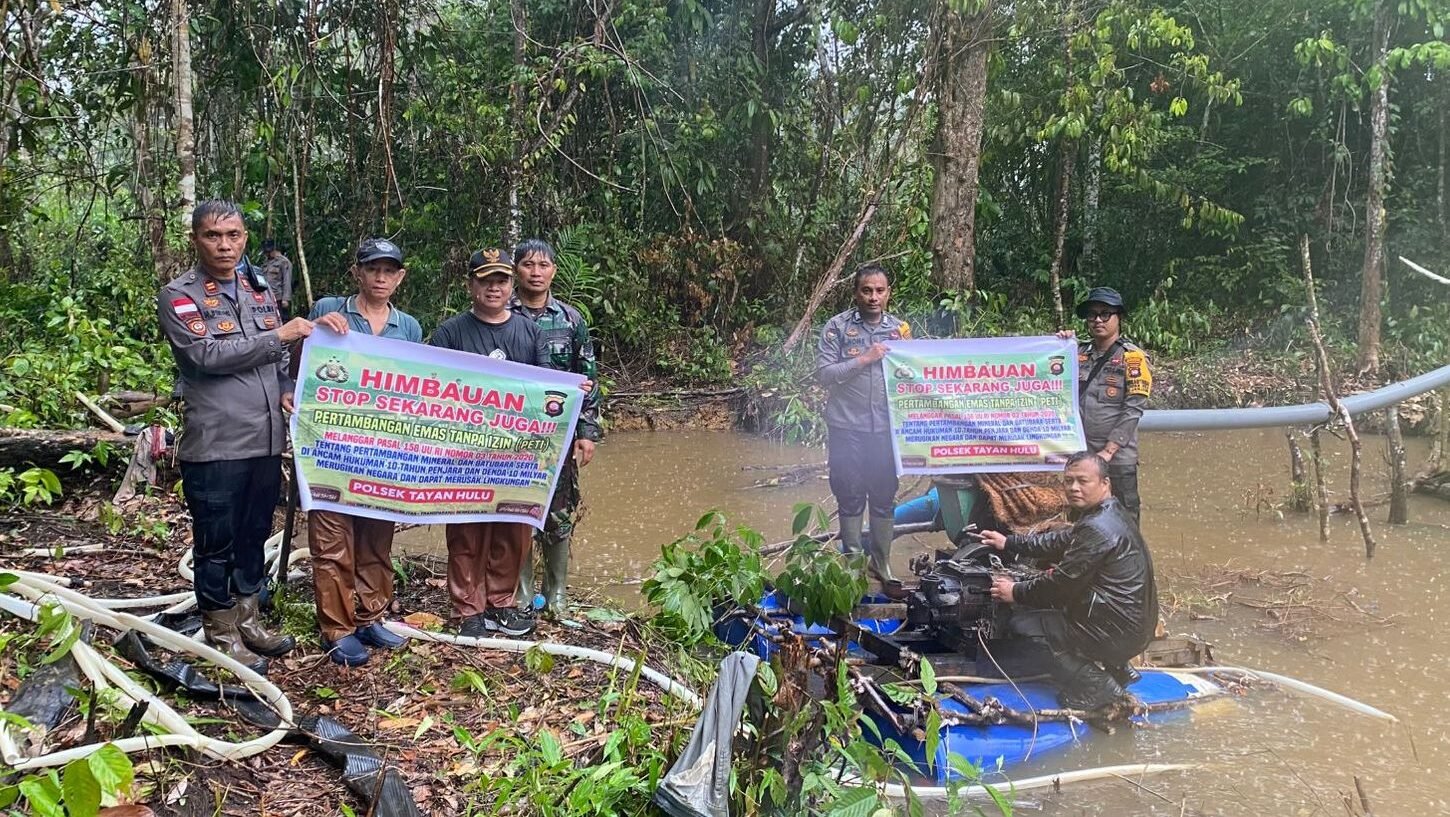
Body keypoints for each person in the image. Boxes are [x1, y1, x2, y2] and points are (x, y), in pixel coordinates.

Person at [158, 200, 314, 673]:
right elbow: (205, 355)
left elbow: (278, 361)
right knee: (215, 541)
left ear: (245, 238)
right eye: (212, 235)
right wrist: (280, 336)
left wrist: (288, 386)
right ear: (196, 240)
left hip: (266, 440)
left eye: (233, 235)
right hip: (218, 443)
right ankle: (220, 631)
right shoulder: (179, 295)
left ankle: (249, 620)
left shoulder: (257, 288)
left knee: (253, 534)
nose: (224, 245)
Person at [429, 248, 588, 638]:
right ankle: (468, 608)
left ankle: (500, 603)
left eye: (500, 281)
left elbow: (541, 387)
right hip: (465, 452)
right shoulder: (450, 332)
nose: (494, 288)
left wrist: (571, 392)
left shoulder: (528, 331)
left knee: (512, 527)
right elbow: (433, 388)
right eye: (485, 280)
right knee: (466, 531)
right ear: (471, 285)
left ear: (509, 285)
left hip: (517, 451)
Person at [304, 238, 423, 666]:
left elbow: (417, 385)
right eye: (373, 268)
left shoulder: (408, 327)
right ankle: (336, 627)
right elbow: (299, 366)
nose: (380, 277)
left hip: (382, 450)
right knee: (333, 537)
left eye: (389, 270)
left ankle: (371, 615)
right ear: (358, 271)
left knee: (376, 537)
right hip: (331, 448)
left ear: (400, 277)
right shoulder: (330, 311)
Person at [974, 451, 1159, 711]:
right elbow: (1062, 540)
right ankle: (1119, 668)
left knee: (1022, 625)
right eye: (1068, 480)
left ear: (1105, 483)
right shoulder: (1111, 513)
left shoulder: (1097, 527)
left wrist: (1015, 591)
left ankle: (1097, 684)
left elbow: (1059, 586)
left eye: (1083, 481)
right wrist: (1009, 542)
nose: (1073, 488)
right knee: (1057, 610)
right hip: (1134, 627)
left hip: (1117, 632)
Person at [508, 238, 602, 616]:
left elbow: (588, 377)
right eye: (528, 264)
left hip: (558, 438)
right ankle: (522, 590)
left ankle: (557, 591)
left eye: (542, 265)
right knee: (516, 511)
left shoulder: (570, 319)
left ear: (553, 271)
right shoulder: (502, 314)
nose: (535, 272)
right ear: (516, 270)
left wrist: (587, 431)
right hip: (511, 438)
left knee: (559, 511)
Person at [816, 264, 911, 584]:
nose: (873, 297)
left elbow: (921, 370)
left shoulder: (901, 330)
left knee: (884, 494)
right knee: (850, 492)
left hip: (886, 428)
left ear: (888, 293)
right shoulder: (837, 327)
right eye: (866, 290)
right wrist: (865, 359)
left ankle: (881, 563)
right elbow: (825, 374)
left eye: (879, 291)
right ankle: (853, 565)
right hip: (846, 426)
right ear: (855, 293)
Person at [1069, 287, 1151, 523]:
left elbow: (1132, 410)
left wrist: (1108, 452)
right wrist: (1059, 342)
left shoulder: (1133, 358)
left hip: (1116, 458)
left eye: (1105, 314)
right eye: (1092, 315)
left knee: (1123, 521)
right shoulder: (1075, 353)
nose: (1097, 320)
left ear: (1119, 318)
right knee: (1079, 521)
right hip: (1082, 454)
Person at [261, 240, 295, 317]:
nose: (266, 254)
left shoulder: (284, 262)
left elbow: (287, 280)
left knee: (281, 319)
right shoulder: (266, 262)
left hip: (278, 297)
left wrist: (285, 299)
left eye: (267, 252)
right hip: (266, 297)